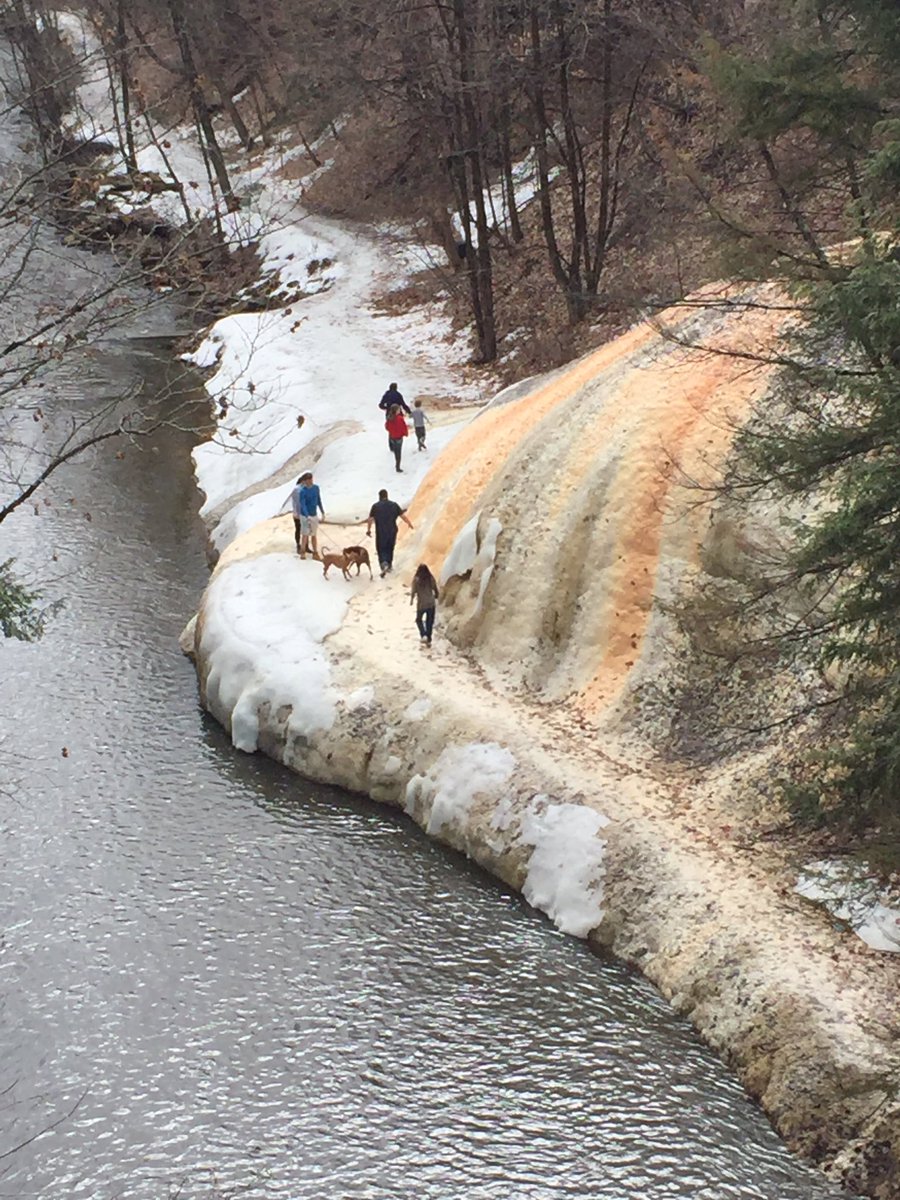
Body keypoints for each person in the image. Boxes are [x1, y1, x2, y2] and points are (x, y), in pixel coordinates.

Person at [366, 488, 414, 577]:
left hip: (381, 531)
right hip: (392, 530)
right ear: (387, 496)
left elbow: (370, 519)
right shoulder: (394, 505)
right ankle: (389, 564)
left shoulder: (376, 506)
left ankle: (383, 563)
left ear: (379, 497)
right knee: (390, 547)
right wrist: (409, 523)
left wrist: (368, 530)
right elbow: (402, 516)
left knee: (381, 548)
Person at [410, 563, 439, 645]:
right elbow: (435, 587)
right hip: (431, 603)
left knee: (418, 620)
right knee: (429, 621)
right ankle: (429, 637)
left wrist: (411, 600)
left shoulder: (416, 579)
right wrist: (437, 595)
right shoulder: (430, 578)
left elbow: (413, 591)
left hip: (421, 604)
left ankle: (423, 635)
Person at [298, 471, 325, 559]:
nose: (310, 481)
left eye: (311, 479)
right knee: (305, 534)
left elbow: (318, 500)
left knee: (314, 534)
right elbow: (303, 504)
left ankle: (315, 552)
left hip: (314, 514)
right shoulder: (303, 491)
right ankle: (303, 552)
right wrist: (307, 515)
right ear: (305, 481)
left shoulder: (316, 488)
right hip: (305, 516)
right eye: (308, 479)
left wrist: (322, 511)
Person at [385, 404, 409, 473]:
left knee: (396, 451)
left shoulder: (389, 418)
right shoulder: (400, 418)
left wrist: (391, 431)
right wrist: (405, 433)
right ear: (396, 411)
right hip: (399, 437)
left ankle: (396, 462)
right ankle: (398, 466)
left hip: (392, 437)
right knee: (399, 452)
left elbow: (387, 427)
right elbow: (403, 427)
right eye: (399, 409)